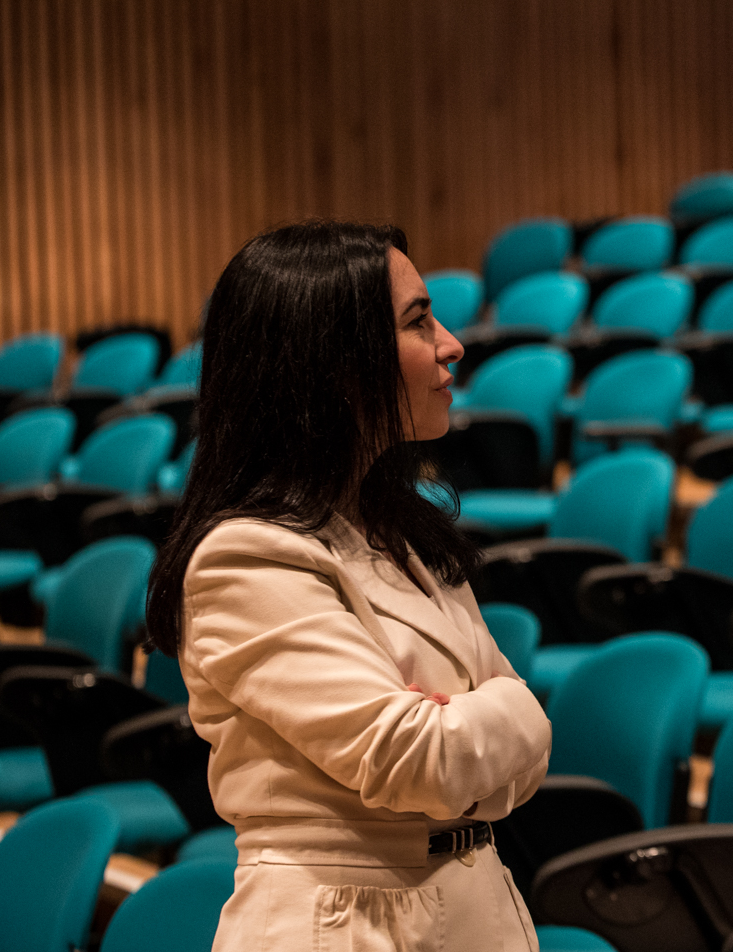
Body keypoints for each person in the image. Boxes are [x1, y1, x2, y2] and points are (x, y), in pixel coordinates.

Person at [145, 222, 551, 952]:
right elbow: (419, 757)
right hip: (341, 924)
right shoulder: (245, 555)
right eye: (419, 320)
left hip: (471, 904)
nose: (452, 343)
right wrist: (506, 708)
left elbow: (519, 759)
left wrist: (473, 728)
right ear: (334, 363)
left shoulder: (401, 530)